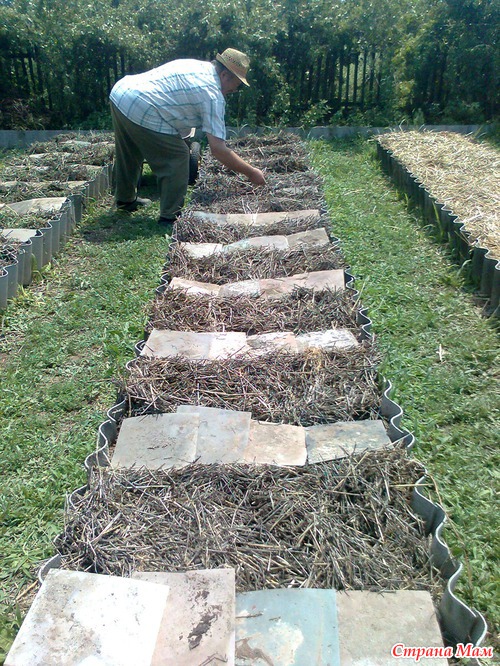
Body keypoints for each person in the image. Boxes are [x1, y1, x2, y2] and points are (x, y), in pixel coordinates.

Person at [109, 48, 266, 225]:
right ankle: (169, 217)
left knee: (129, 152)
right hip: (143, 106)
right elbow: (218, 149)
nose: (234, 90)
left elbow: (175, 104)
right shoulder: (212, 95)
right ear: (224, 75)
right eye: (236, 85)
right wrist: (251, 172)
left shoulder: (198, 67)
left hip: (122, 93)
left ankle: (125, 200)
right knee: (178, 156)